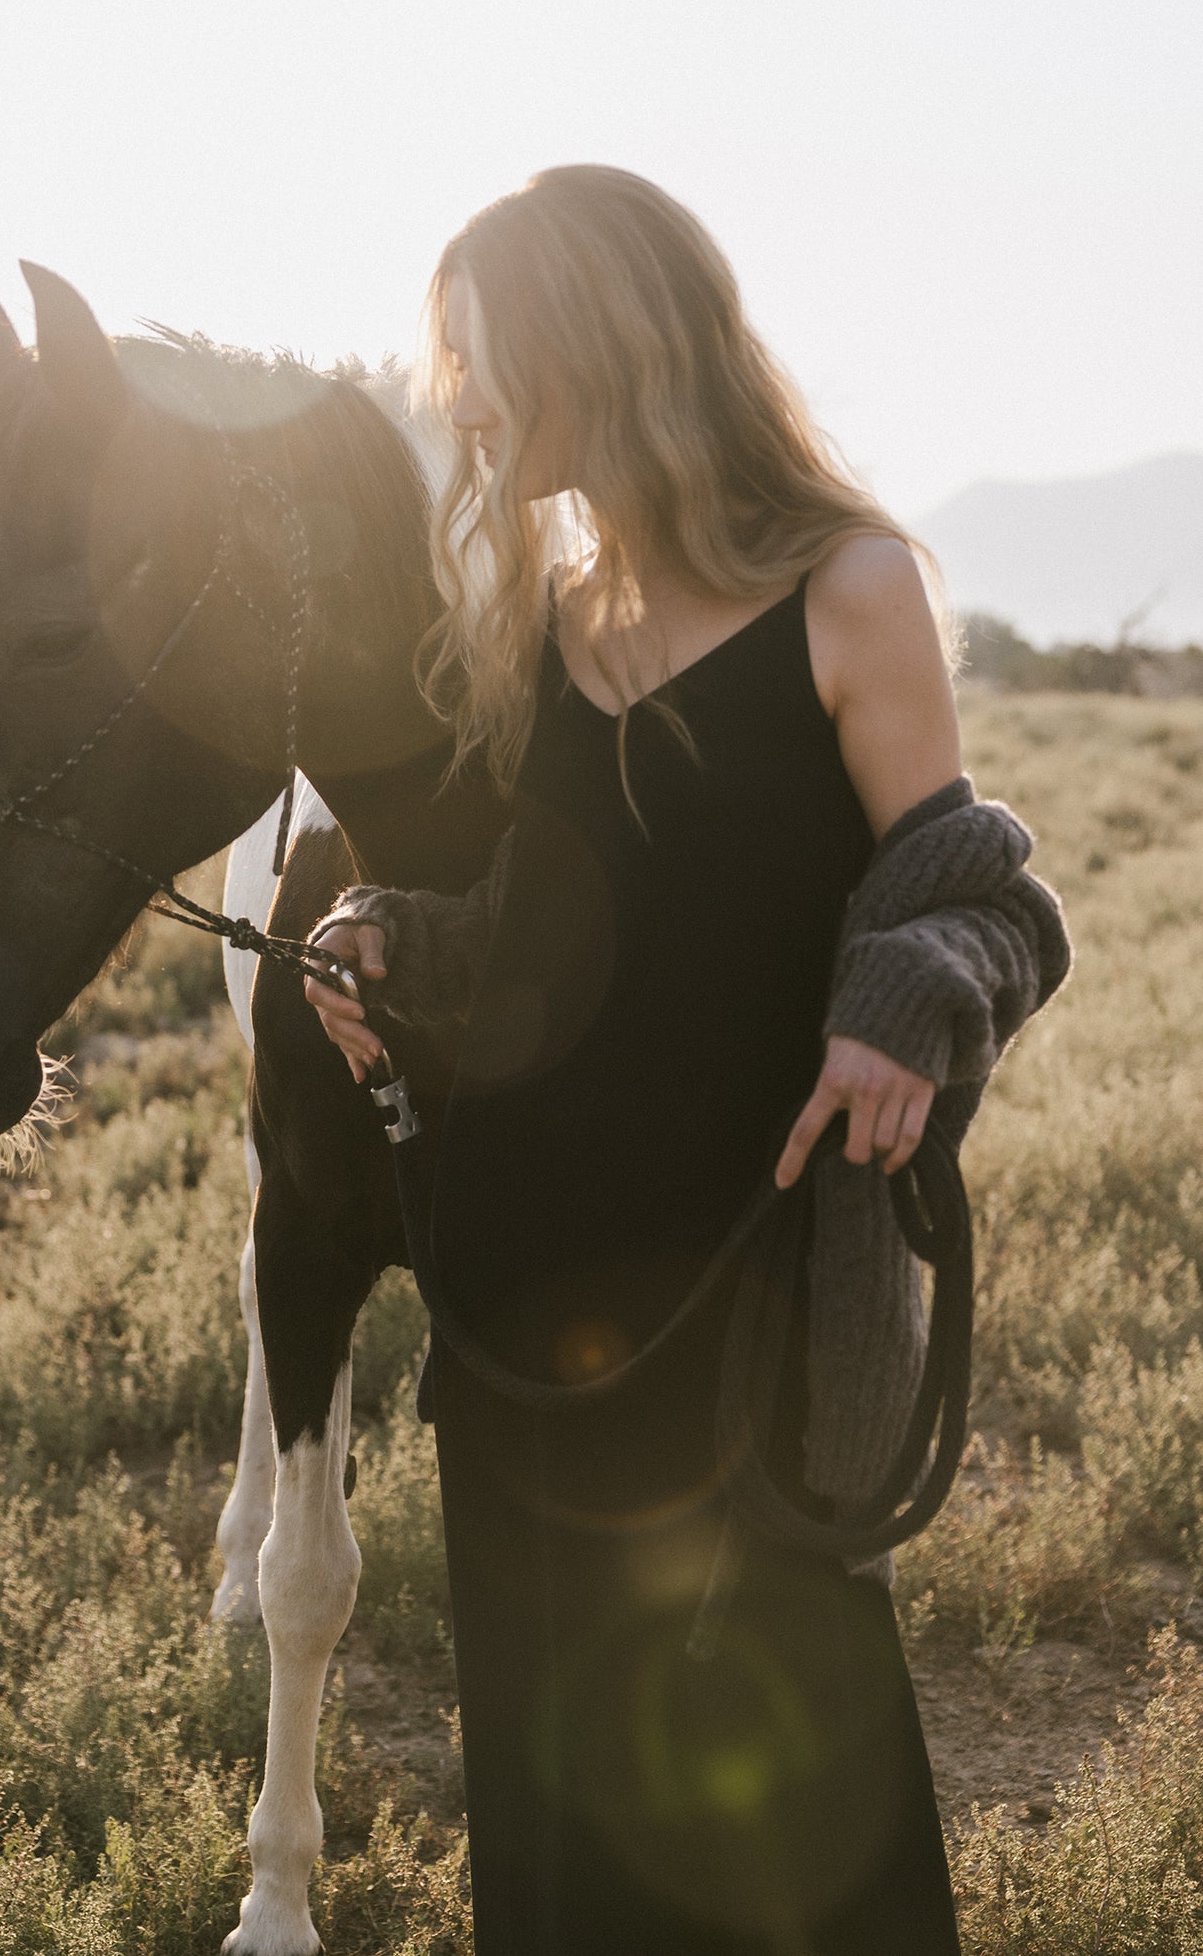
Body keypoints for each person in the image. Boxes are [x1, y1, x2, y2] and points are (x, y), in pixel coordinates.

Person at [303, 165, 1067, 1954]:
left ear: (596, 341)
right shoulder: (554, 611)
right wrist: (395, 935)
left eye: (480, 357)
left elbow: (986, 903)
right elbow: (548, 928)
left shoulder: (847, 588)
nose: (458, 402)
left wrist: (898, 1007)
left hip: (755, 1303)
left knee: (801, 1801)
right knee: (554, 1781)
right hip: (521, 1308)